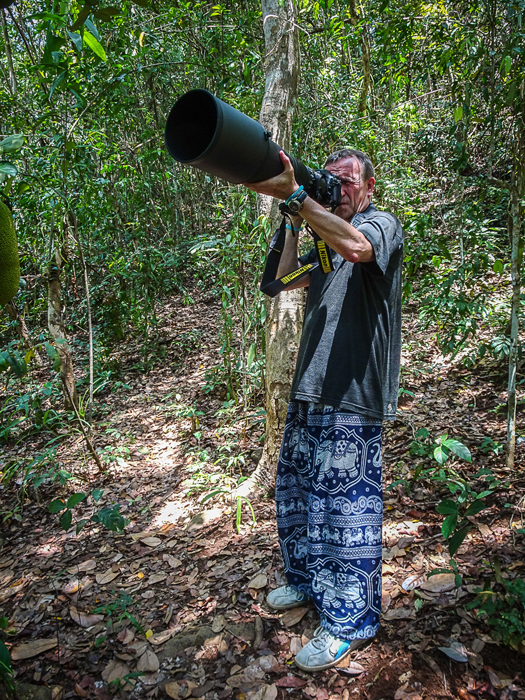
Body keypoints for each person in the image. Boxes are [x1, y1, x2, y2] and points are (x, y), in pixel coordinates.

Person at [245, 148, 403, 673]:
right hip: (309, 389)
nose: (338, 188)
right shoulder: (321, 234)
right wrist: (295, 218)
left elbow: (356, 248)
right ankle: (306, 582)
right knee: (298, 497)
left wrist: (298, 196)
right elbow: (278, 283)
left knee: (343, 514)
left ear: (369, 186)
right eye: (330, 180)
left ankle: (347, 621)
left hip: (351, 393)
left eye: (347, 181)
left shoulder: (380, 225)